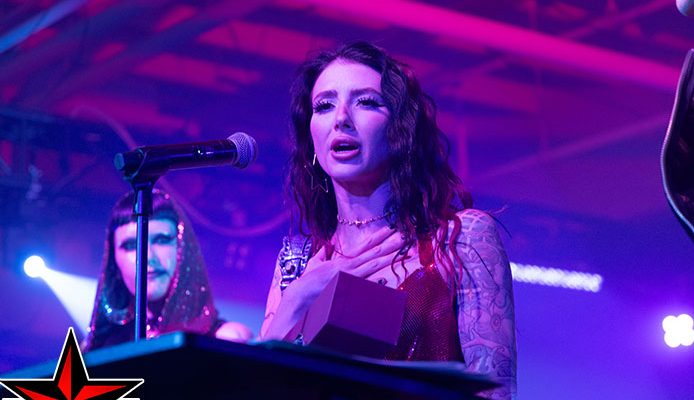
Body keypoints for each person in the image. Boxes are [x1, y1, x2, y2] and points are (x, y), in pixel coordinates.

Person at [260, 42, 516, 399]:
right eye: (324, 106)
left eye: (366, 102)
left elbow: (495, 392)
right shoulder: (297, 263)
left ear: (400, 129)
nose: (341, 118)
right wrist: (297, 300)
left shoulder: (460, 238)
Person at [83, 189, 252, 351]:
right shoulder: (94, 351)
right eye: (131, 245)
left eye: (162, 240)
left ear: (184, 250)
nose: (148, 256)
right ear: (113, 262)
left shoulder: (226, 340)